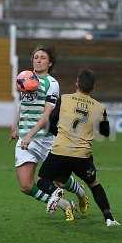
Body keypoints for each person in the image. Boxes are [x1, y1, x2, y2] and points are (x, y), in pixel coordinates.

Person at [39, 69, 120, 226]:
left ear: (76, 83)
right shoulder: (99, 107)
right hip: (82, 155)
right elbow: (105, 132)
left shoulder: (64, 99)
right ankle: (109, 218)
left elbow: (50, 123)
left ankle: (55, 192)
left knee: (43, 181)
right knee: (94, 184)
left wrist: (59, 132)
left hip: (60, 150)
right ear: (93, 88)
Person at [10, 46, 76, 219]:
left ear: (50, 63)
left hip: (45, 139)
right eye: (35, 57)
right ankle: (63, 204)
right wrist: (15, 125)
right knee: (26, 186)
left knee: (59, 179)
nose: (38, 60)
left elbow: (46, 115)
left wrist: (30, 135)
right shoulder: (25, 77)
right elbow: (22, 104)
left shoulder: (52, 84)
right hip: (25, 139)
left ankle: (81, 192)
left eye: (42, 58)